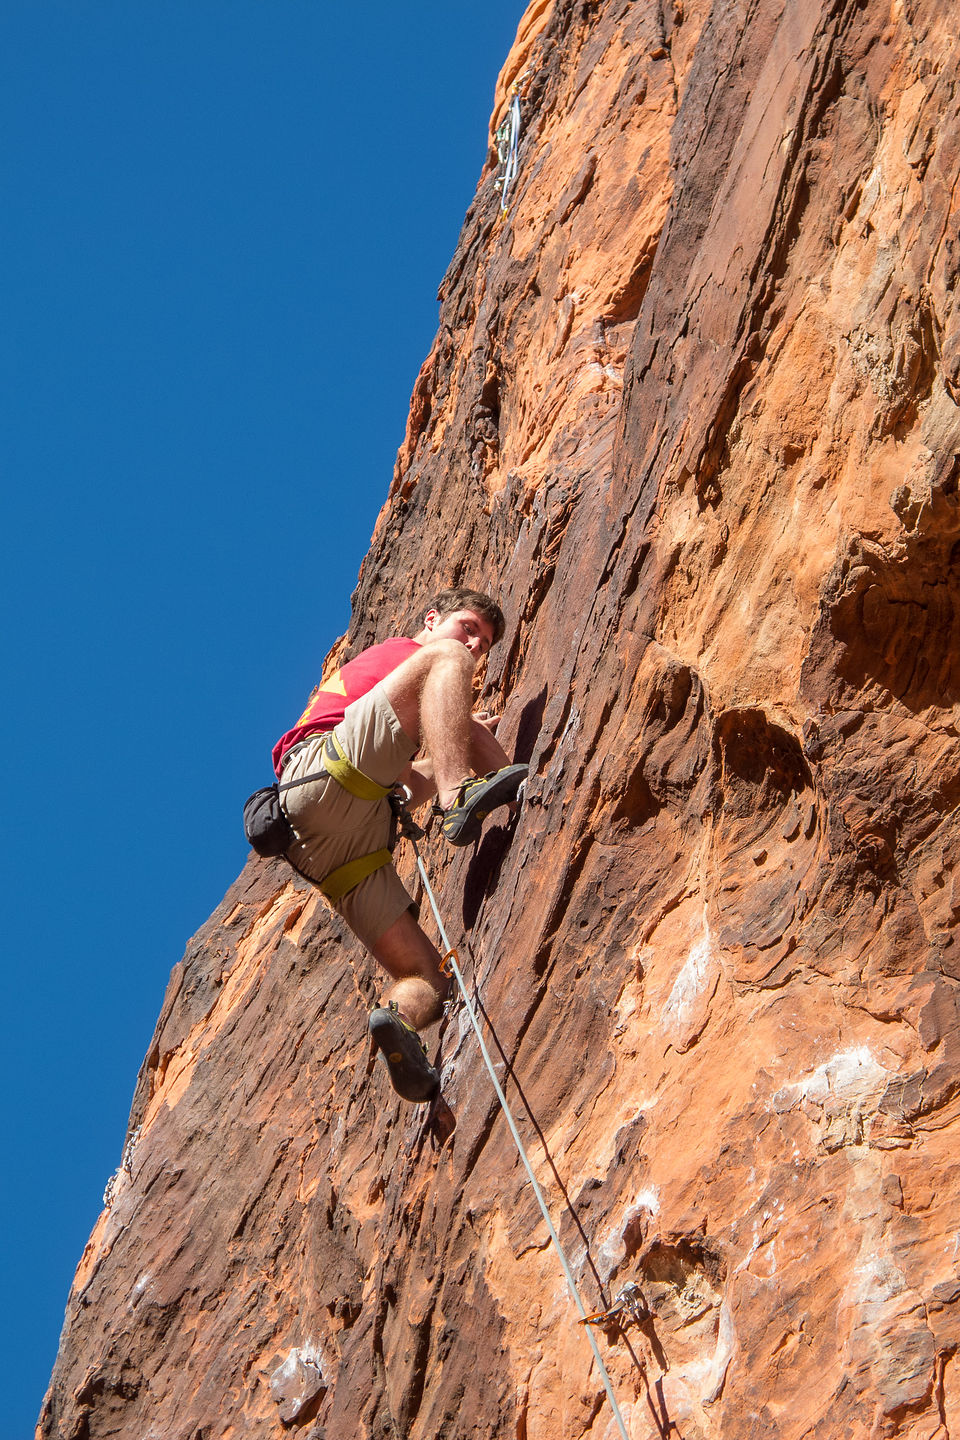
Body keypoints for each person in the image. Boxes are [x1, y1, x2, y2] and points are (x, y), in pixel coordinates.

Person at [271, 587, 526, 1103]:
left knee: (429, 980)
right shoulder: (408, 652)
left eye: (485, 642)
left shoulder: (415, 696)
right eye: (469, 626)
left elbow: (428, 765)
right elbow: (441, 673)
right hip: (321, 769)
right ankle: (459, 799)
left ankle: (400, 1022)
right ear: (431, 619)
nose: (475, 645)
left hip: (332, 843)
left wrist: (516, 785)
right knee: (446, 663)